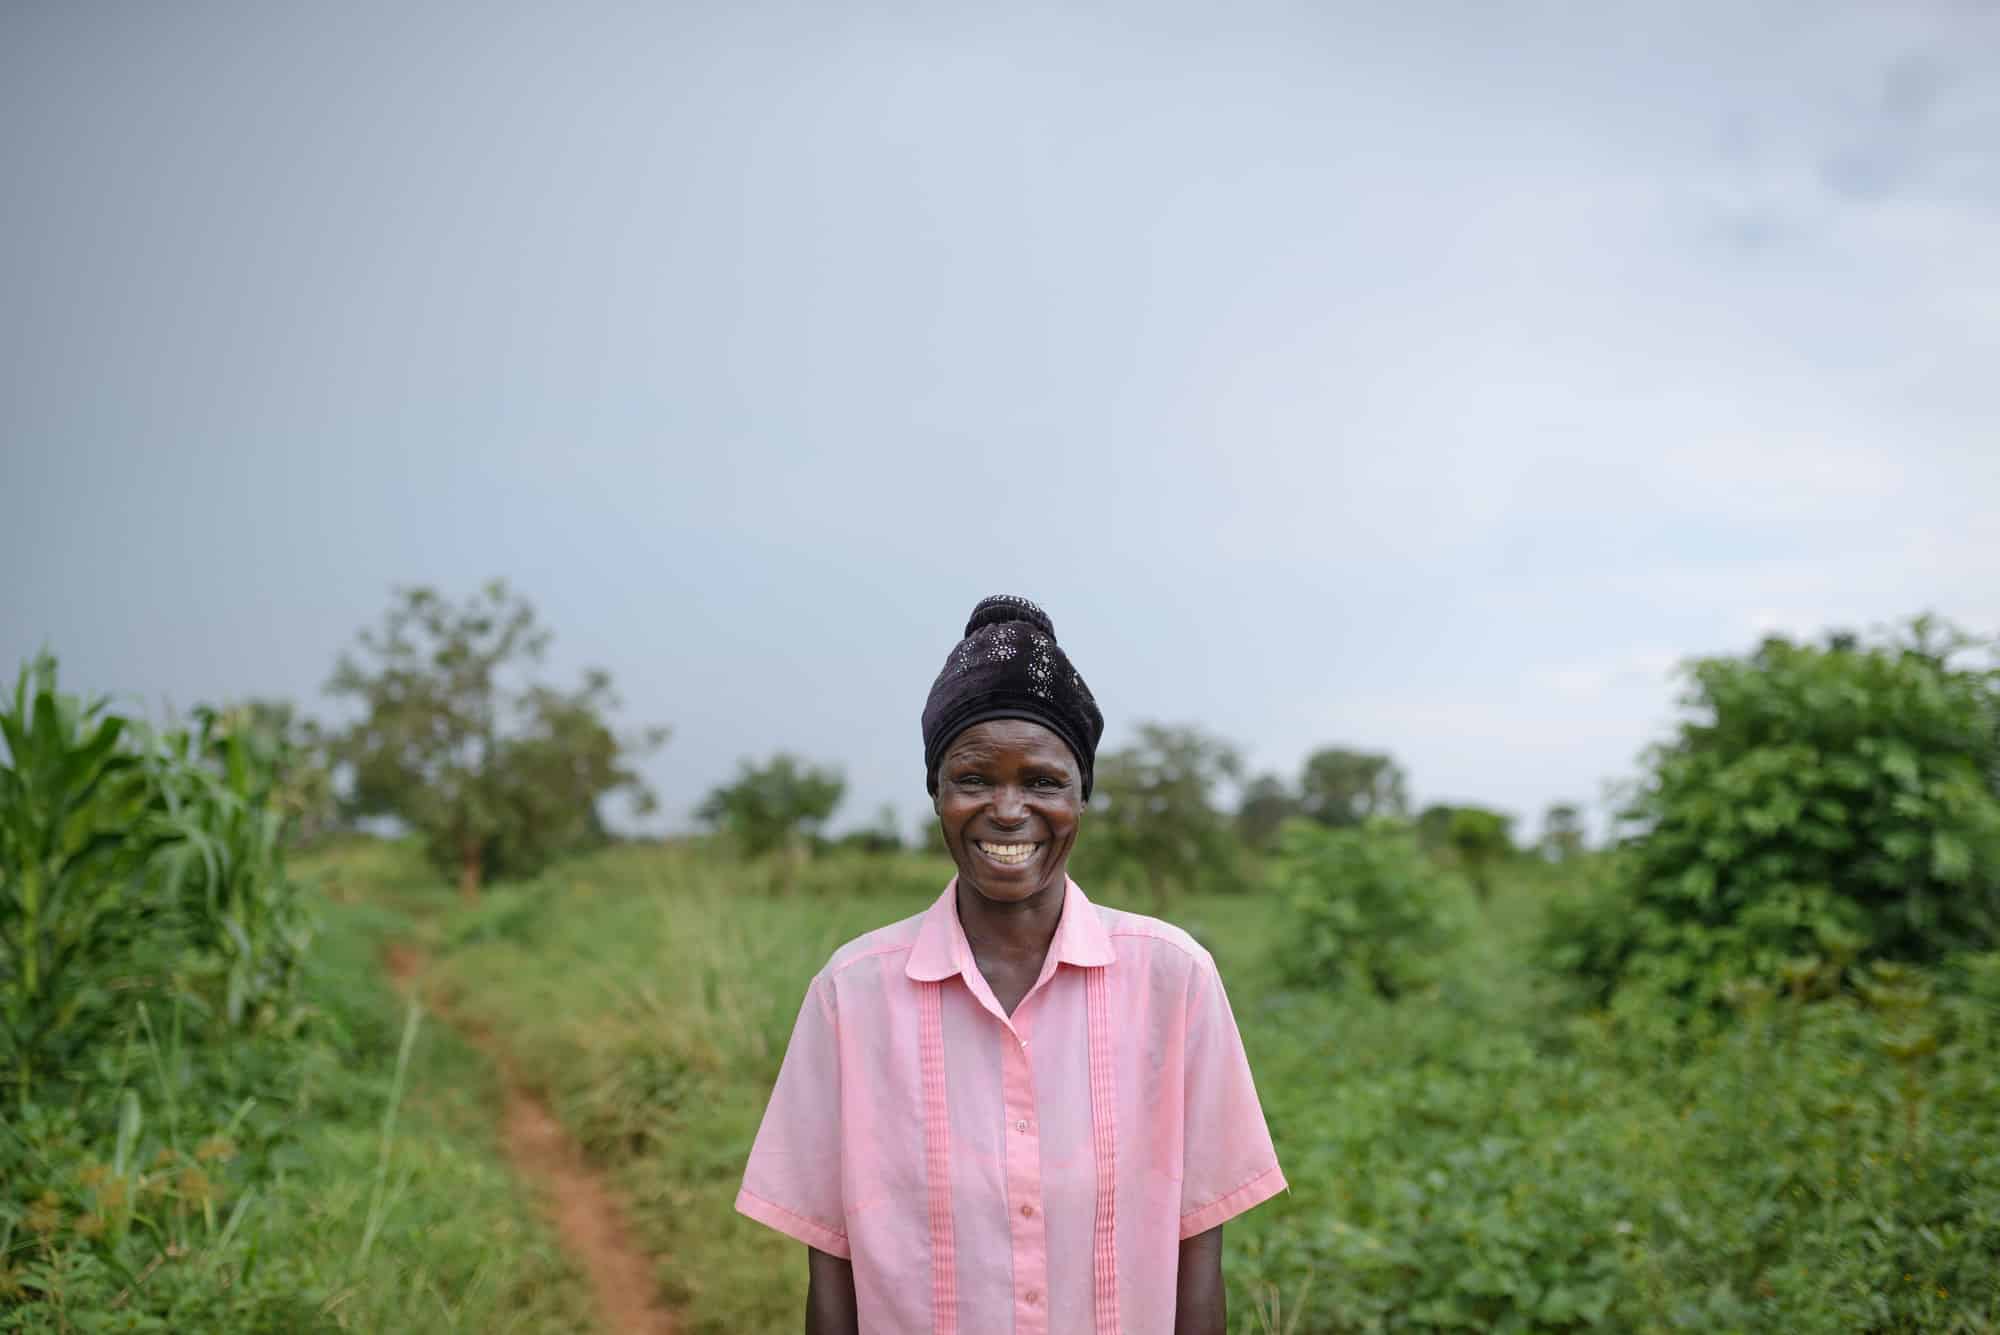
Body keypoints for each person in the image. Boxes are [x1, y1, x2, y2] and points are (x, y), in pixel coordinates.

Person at [736, 595, 1285, 1334]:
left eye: (1042, 781)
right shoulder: (851, 993)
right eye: (973, 778)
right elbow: (832, 1266)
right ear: (936, 792)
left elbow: (1198, 1254)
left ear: (1082, 796)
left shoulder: (1174, 979)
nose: (1006, 808)